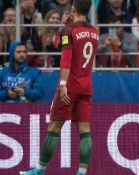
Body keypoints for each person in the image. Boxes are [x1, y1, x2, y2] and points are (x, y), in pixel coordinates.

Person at [20, 0, 99, 175]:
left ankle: (39, 171)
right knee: (85, 131)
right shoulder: (94, 32)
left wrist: (63, 84)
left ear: (73, 8)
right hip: (86, 84)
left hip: (70, 84)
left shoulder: (69, 30)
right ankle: (81, 172)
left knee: (54, 127)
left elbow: (66, 58)